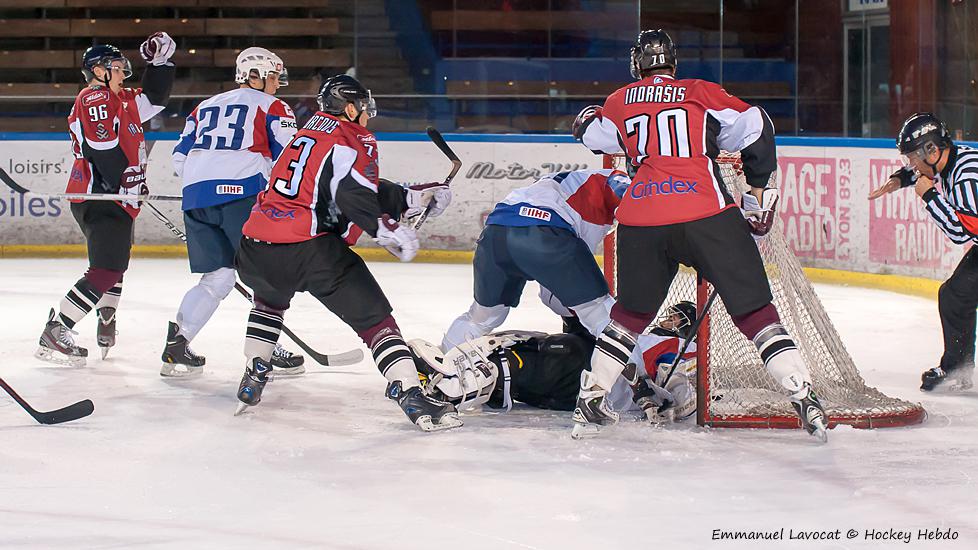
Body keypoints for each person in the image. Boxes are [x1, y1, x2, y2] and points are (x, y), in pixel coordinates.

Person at [573, 29, 827, 441]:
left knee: (629, 318)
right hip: (706, 213)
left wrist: (588, 116)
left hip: (641, 219)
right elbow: (757, 124)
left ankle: (592, 396)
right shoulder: (700, 91)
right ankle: (801, 392)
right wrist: (757, 193)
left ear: (638, 64)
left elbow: (587, 132)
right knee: (755, 312)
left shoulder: (619, 101)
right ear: (674, 62)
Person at [232, 74, 460, 432]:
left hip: (255, 249)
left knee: (269, 302)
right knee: (376, 321)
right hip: (308, 250)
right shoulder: (353, 136)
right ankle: (410, 392)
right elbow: (352, 194)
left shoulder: (306, 133)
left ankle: (254, 371)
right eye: (363, 107)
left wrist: (411, 197)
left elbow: (336, 186)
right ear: (350, 108)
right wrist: (385, 227)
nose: (367, 115)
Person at [35, 33, 176, 366]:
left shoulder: (122, 98)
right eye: (115, 66)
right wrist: (125, 181)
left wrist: (160, 63)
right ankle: (58, 328)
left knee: (114, 263)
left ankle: (106, 317)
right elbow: (103, 147)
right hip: (100, 194)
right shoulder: (94, 97)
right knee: (108, 267)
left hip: (114, 196)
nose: (122, 71)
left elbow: (155, 99)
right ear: (98, 71)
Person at [162, 47, 304, 377]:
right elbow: (290, 158)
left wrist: (208, 183)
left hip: (196, 197)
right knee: (268, 273)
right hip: (242, 196)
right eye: (273, 77)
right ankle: (265, 349)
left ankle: (177, 345)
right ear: (254, 76)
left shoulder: (204, 106)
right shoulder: (274, 107)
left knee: (219, 276)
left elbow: (179, 159)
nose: (277, 84)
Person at [409, 301, 699, 423]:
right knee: (513, 357)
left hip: (591, 375)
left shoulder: (678, 345)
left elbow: (680, 387)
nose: (667, 321)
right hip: (581, 389)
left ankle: (445, 385)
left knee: (519, 357)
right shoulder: (649, 335)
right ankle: (448, 381)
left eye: (676, 319)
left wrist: (669, 400)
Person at [441, 168, 630, 353]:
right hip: (544, 235)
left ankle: (442, 364)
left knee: (480, 318)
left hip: (495, 232)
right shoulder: (614, 179)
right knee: (599, 312)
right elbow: (560, 294)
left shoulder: (563, 184)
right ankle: (632, 371)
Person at [868, 113, 978, 392]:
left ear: (931, 150)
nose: (911, 165)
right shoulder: (952, 159)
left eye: (912, 158)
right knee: (955, 295)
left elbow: (961, 233)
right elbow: (922, 171)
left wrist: (929, 196)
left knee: (957, 294)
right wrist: (899, 180)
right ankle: (958, 367)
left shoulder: (966, 178)